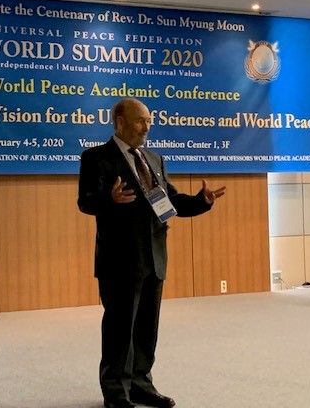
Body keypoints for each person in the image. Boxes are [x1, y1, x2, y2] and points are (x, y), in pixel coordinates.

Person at [77, 98, 225, 408]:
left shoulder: (154, 159)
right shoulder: (96, 157)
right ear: (120, 122)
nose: (146, 127)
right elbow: (86, 202)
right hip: (120, 260)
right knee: (119, 329)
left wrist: (201, 201)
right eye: (140, 121)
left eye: (149, 121)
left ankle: (141, 384)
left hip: (155, 257)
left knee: (146, 328)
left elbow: (170, 202)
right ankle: (116, 392)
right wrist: (109, 199)